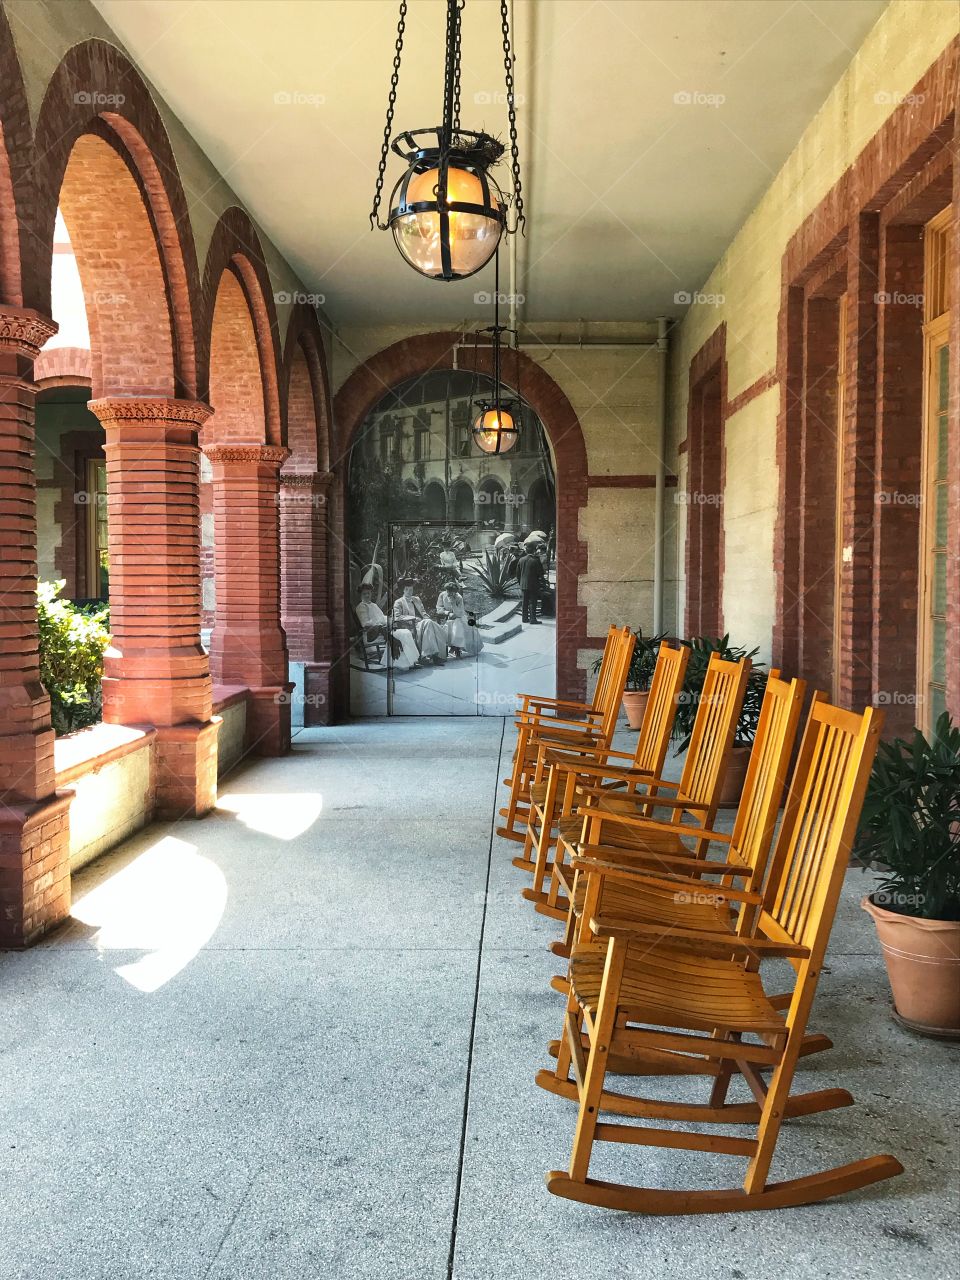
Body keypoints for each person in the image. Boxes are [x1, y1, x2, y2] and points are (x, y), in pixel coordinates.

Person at [356, 584, 419, 670]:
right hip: (374, 634)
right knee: (403, 634)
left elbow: (382, 617)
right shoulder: (361, 607)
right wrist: (382, 622)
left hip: (383, 630)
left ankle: (411, 662)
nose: (367, 595)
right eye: (364, 594)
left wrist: (391, 619)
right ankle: (403, 664)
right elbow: (365, 623)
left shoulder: (374, 605)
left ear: (371, 593)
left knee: (406, 632)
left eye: (368, 593)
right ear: (360, 595)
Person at [392, 578, 448, 663]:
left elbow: (423, 612)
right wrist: (413, 618)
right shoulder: (399, 602)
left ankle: (430, 654)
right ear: (403, 590)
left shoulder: (416, 599)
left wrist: (426, 617)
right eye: (407, 589)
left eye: (411, 589)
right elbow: (397, 617)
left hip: (423, 623)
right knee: (429, 624)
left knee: (429, 623)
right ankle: (434, 655)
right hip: (410, 625)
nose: (409, 591)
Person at [436, 582, 483, 658]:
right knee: (456, 624)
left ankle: (456, 647)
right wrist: (447, 613)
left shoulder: (459, 597)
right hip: (446, 617)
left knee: (458, 624)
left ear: (455, 592)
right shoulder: (442, 595)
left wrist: (453, 603)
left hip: (459, 617)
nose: (449, 593)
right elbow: (439, 609)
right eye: (448, 591)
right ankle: (455, 647)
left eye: (451, 592)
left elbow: (460, 613)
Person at [517, 543, 546, 625]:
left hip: (523, 584)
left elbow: (518, 574)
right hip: (533, 584)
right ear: (534, 550)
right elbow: (540, 573)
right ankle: (533, 619)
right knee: (533, 602)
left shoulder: (521, 559)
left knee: (525, 601)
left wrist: (521, 583)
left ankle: (524, 618)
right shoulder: (536, 560)